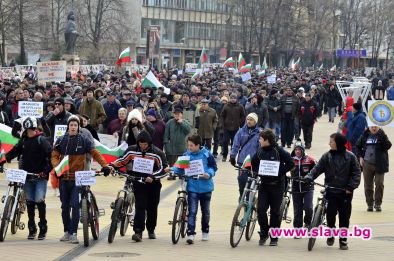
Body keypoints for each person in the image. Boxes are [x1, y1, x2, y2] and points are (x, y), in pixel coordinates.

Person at [51, 115, 112, 244]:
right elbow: (54, 156)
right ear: (68, 126)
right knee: (64, 207)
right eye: (71, 125)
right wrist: (57, 168)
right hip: (64, 178)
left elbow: (95, 153)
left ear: (78, 127)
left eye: (75, 125)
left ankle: (73, 233)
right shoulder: (60, 140)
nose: (73, 127)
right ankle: (66, 232)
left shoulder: (84, 140)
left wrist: (105, 166)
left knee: (75, 205)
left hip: (78, 179)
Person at [304, 133, 361, 250]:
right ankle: (330, 234)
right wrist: (309, 177)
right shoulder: (327, 156)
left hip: (345, 192)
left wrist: (350, 187)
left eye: (331, 141)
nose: (329, 143)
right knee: (330, 214)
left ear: (338, 143)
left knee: (344, 217)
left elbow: (356, 174)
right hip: (330, 190)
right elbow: (317, 168)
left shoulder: (351, 157)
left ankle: (343, 240)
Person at [110, 130, 169, 242]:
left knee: (152, 207)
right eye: (140, 144)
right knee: (140, 206)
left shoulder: (157, 152)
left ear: (149, 143)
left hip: (153, 183)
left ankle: (151, 229)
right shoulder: (132, 150)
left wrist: (153, 176)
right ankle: (138, 231)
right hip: (139, 181)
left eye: (145, 144)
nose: (143, 146)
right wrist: (112, 166)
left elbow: (164, 168)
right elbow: (122, 160)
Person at [0, 117, 52, 240]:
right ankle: (32, 227)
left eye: (30, 130)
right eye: (27, 130)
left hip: (40, 176)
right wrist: (2, 161)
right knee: (29, 202)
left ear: (34, 128)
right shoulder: (23, 141)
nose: (28, 132)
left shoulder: (42, 140)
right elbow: (13, 152)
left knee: (39, 200)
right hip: (26, 176)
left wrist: (46, 171)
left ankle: (43, 227)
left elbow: (52, 156)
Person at [250, 129, 294, 246]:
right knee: (261, 210)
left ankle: (274, 236)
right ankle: (264, 232)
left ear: (267, 140)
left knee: (275, 212)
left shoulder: (279, 151)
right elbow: (254, 163)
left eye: (261, 139)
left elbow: (291, 163)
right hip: (264, 185)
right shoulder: (259, 151)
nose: (259, 141)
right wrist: (255, 171)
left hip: (277, 185)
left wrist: (280, 172)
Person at [172, 134, 217, 244]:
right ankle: (190, 233)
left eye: (191, 145)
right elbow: (179, 167)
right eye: (188, 145)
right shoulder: (186, 155)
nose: (189, 148)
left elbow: (214, 167)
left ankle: (205, 231)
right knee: (192, 211)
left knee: (205, 212)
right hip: (192, 187)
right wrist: (172, 169)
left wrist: (209, 174)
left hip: (206, 188)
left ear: (198, 145)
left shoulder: (207, 154)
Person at [356, 126, 392, 212]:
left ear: (378, 127)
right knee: (368, 185)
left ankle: (378, 204)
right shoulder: (365, 135)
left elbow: (388, 146)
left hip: (380, 164)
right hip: (367, 163)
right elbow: (357, 146)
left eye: (375, 127)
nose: (374, 128)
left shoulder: (382, 134)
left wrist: (381, 134)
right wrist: (360, 157)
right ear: (369, 127)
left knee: (379, 184)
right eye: (372, 127)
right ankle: (370, 204)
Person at [230, 113, 261, 198]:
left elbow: (261, 148)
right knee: (242, 180)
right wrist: (232, 156)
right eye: (248, 119)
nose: (248, 121)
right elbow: (235, 144)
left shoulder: (260, 133)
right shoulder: (241, 131)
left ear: (255, 121)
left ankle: (249, 198)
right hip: (243, 161)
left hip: (254, 162)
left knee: (252, 181)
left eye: (251, 120)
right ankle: (241, 196)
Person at [290, 140, 316, 234]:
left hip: (308, 187)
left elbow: (317, 170)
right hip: (295, 188)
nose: (297, 151)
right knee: (297, 209)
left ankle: (308, 223)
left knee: (308, 207)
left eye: (299, 149)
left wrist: (310, 178)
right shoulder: (290, 159)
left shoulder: (310, 160)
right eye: (296, 149)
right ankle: (297, 229)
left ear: (303, 150)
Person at [164, 107, 191, 179]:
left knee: (182, 161)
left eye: (178, 114)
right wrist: (166, 145)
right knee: (172, 162)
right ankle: (172, 174)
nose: (177, 115)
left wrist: (181, 123)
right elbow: (166, 135)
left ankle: (182, 174)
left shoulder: (185, 122)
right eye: (175, 114)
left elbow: (188, 131)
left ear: (181, 114)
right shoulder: (170, 122)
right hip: (171, 146)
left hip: (182, 146)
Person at [220, 93, 246, 162]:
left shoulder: (240, 106)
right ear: (230, 98)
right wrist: (222, 124)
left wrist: (239, 123)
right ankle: (224, 155)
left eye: (234, 98)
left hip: (236, 128)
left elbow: (243, 116)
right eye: (232, 98)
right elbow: (222, 116)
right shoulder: (226, 106)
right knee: (225, 142)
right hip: (227, 127)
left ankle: (232, 156)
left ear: (236, 99)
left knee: (234, 143)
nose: (233, 99)